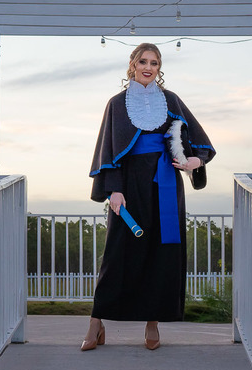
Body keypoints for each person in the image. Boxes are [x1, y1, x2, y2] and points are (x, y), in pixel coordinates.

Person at [83, 43, 215, 351]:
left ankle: (153, 323)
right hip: (128, 186)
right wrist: (114, 189)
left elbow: (199, 140)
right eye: (143, 61)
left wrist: (195, 161)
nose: (148, 66)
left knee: (161, 251)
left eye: (154, 62)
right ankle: (96, 321)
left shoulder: (171, 100)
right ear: (132, 64)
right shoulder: (117, 104)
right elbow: (109, 150)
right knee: (117, 252)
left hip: (165, 184)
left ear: (159, 68)